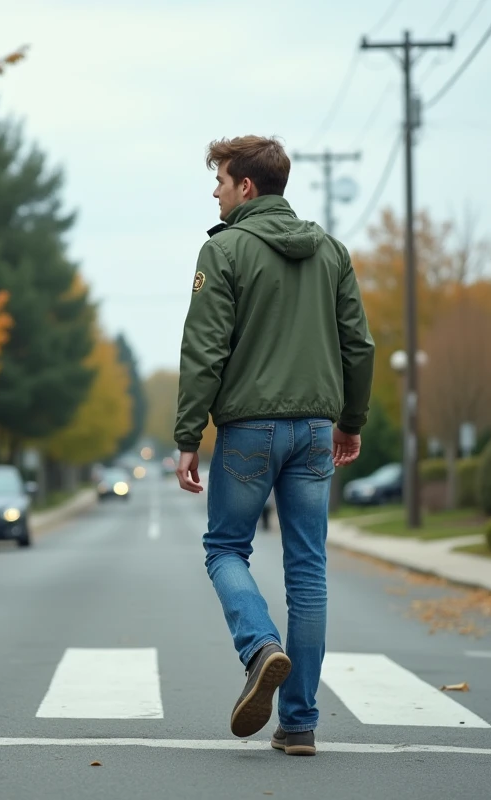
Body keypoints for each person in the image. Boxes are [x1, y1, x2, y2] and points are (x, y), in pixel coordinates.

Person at [172, 135, 374, 757]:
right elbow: (358, 345)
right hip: (315, 431)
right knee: (308, 570)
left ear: (246, 187)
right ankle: (299, 724)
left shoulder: (223, 250)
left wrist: (188, 435)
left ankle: (260, 647)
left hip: (249, 431)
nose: (215, 192)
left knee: (225, 548)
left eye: (221, 181)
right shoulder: (331, 252)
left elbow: (204, 350)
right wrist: (350, 422)